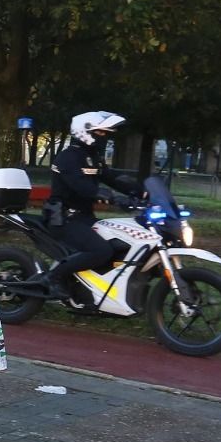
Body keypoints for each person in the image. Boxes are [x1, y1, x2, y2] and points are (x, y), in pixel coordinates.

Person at [42, 111, 143, 300]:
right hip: (63, 219)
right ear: (85, 131)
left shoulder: (92, 156)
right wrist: (112, 198)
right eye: (101, 132)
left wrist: (141, 191)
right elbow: (83, 187)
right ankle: (53, 278)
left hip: (84, 217)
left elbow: (112, 177)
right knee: (101, 250)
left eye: (106, 133)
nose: (105, 137)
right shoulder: (68, 158)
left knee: (120, 244)